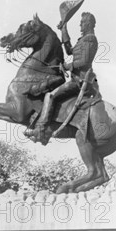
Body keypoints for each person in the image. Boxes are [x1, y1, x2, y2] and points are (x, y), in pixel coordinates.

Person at [26, 12, 100, 145]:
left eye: (82, 23)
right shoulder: (83, 39)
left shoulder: (90, 39)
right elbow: (69, 50)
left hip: (81, 81)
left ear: (89, 23)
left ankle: (41, 129)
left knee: (51, 96)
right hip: (76, 79)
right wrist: (64, 29)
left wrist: (67, 66)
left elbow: (84, 62)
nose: (80, 25)